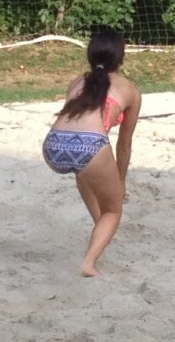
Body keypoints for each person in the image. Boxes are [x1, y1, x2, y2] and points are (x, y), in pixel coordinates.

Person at [42, 27, 142, 277]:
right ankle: (89, 263)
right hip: (90, 146)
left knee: (83, 172)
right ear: (121, 59)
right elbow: (124, 144)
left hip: (53, 145)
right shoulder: (129, 89)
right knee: (114, 208)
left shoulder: (77, 81)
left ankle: (100, 229)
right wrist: (120, 181)